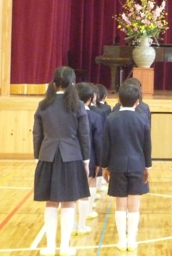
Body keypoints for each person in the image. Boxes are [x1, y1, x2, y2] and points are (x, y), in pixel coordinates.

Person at [33, 66, 90, 256]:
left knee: (50, 203)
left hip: (47, 155)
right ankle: (65, 247)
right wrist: (86, 159)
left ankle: (50, 247)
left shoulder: (43, 104)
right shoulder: (77, 105)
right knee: (69, 202)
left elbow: (37, 134)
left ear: (54, 83)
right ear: (73, 84)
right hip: (72, 157)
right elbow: (84, 135)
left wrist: (38, 157)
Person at [101, 82, 152, 252]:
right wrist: (147, 166)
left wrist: (104, 165)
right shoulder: (142, 119)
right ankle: (132, 240)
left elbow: (105, 145)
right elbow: (147, 146)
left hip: (116, 166)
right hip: (137, 165)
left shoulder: (111, 119)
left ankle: (122, 241)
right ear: (137, 101)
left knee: (120, 205)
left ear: (119, 100)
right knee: (134, 205)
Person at [74, 82, 104, 235]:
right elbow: (98, 142)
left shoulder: (69, 114)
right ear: (91, 98)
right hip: (89, 157)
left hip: (71, 157)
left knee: (71, 194)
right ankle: (81, 224)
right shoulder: (95, 117)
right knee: (86, 191)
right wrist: (99, 162)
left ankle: (72, 225)